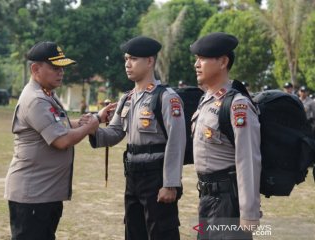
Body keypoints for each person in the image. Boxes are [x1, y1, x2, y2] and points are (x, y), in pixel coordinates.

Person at [88, 36, 186, 240]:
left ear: (149, 61)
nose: (127, 64)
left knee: (160, 232)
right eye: (126, 59)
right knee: (134, 231)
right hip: (132, 176)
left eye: (133, 58)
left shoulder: (167, 97)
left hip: (156, 176)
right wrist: (91, 128)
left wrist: (170, 184)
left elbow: (176, 142)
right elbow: (114, 132)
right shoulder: (127, 98)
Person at [4, 41, 99, 240]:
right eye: (55, 68)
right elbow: (62, 140)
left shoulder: (47, 95)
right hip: (33, 195)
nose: (61, 73)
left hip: (44, 193)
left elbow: (57, 125)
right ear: (35, 69)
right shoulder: (36, 99)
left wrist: (80, 122)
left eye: (62, 68)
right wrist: (90, 126)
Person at [190, 32, 261, 239]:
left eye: (202, 58)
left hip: (228, 200)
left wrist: (249, 212)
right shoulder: (206, 100)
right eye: (196, 59)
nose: (196, 64)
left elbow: (248, 159)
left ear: (223, 62)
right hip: (207, 197)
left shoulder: (238, 105)